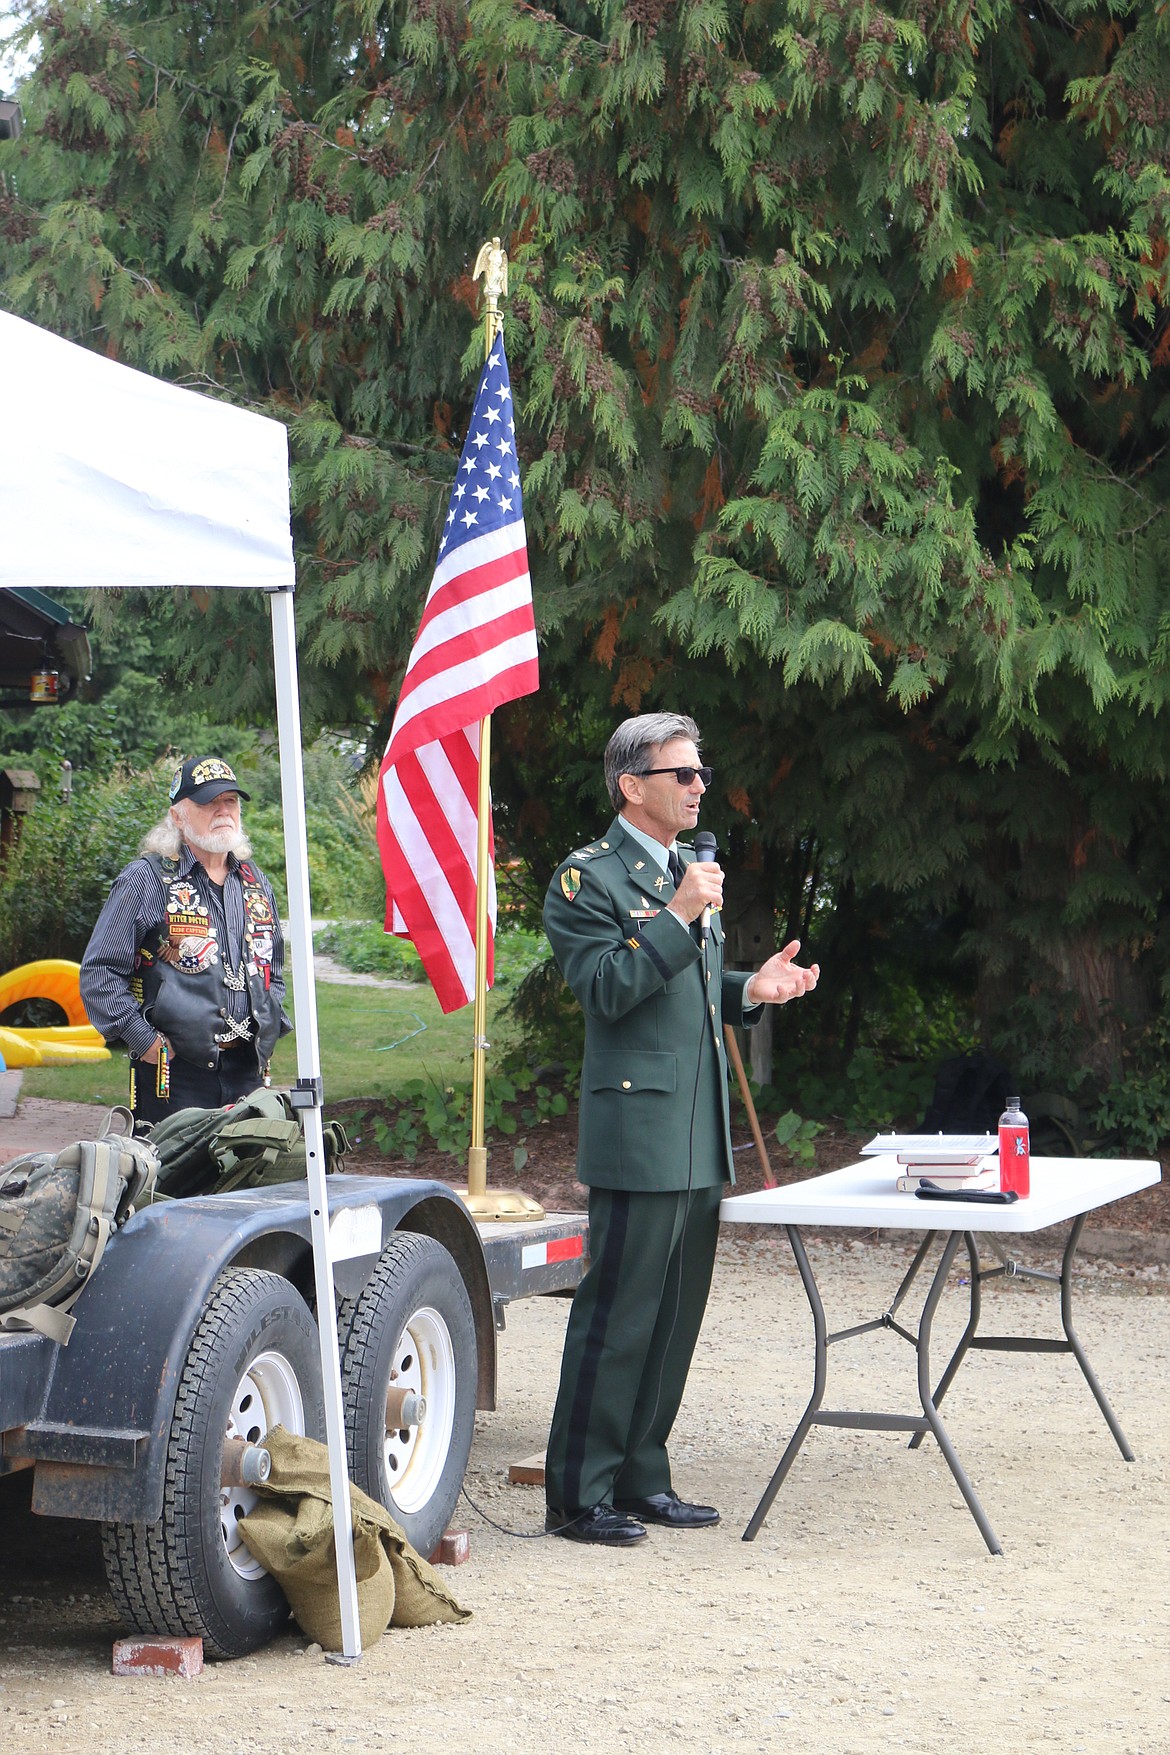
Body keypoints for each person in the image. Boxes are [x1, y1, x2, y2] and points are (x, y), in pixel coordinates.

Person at [542, 713, 819, 1547]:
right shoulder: (588, 879)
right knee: (619, 1312)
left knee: (673, 1314)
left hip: (697, 1127)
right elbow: (606, 987)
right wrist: (676, 912)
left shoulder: (684, 870)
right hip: (638, 1127)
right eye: (684, 774)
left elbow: (687, 991)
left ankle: (641, 1476)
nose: (700, 785)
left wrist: (749, 990)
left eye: (700, 772)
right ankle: (577, 1494)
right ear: (634, 785)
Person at [80, 756, 291, 1125]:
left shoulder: (256, 882)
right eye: (209, 802)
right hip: (175, 1074)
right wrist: (142, 1039)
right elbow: (100, 973)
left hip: (249, 1070)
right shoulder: (145, 879)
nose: (223, 811)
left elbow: (273, 969)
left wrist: (270, 1020)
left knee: (248, 1179)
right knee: (177, 1181)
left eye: (231, 801)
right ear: (178, 816)